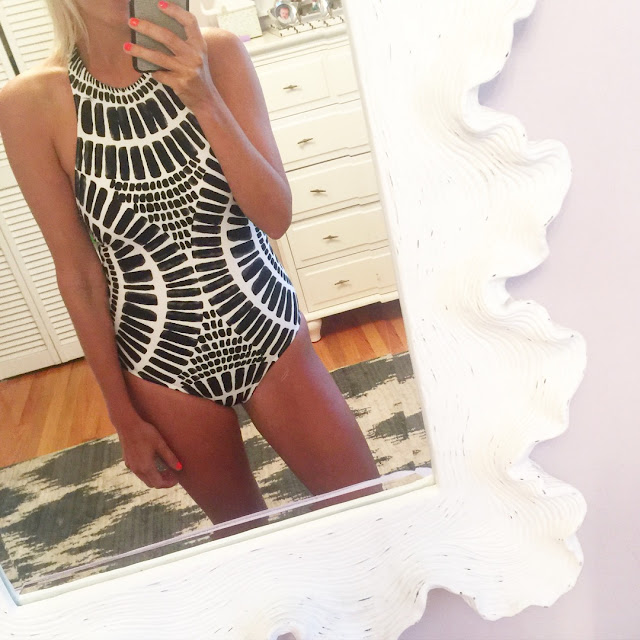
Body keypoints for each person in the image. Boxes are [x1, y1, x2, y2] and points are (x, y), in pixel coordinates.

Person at [0, 0, 380, 531]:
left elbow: (274, 216)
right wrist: (123, 416)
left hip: (266, 325)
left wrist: (203, 96)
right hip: (159, 360)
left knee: (367, 508)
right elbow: (79, 274)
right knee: (243, 535)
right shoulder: (29, 103)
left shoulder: (218, 55)